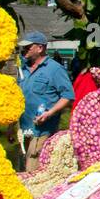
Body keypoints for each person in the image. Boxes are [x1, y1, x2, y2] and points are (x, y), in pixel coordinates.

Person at [16, 31, 74, 172]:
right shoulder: (23, 69)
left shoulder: (55, 69)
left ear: (40, 48)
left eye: (28, 47)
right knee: (20, 171)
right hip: (23, 129)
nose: (24, 50)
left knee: (33, 170)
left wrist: (49, 113)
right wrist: (12, 126)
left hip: (42, 130)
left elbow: (68, 96)